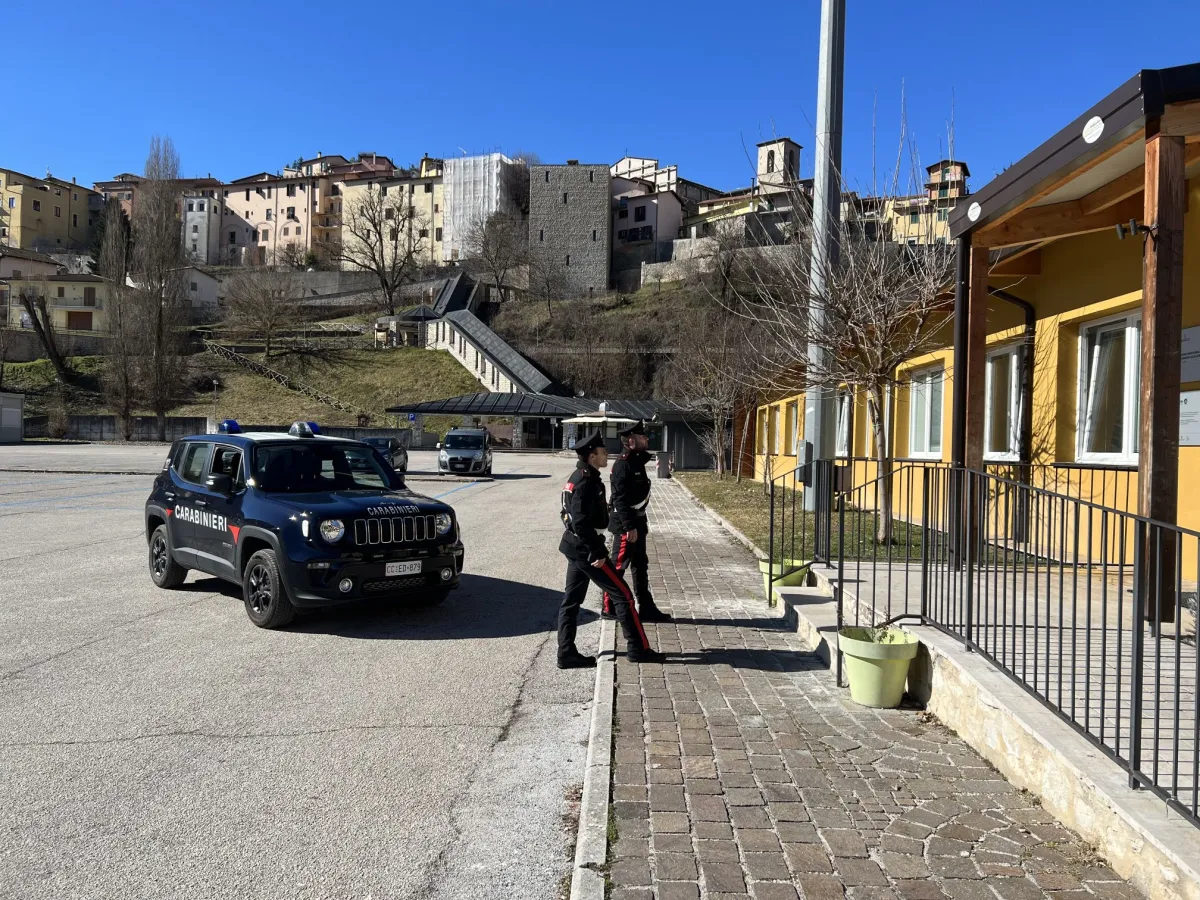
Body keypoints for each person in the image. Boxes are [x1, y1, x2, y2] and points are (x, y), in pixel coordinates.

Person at [558, 430, 666, 669]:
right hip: (587, 550)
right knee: (623, 595)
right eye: (602, 452)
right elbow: (580, 522)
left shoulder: (579, 476)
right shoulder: (585, 481)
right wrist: (596, 551)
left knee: (571, 601)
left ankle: (566, 653)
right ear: (591, 456)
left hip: (575, 547)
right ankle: (638, 648)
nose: (607, 454)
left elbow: (565, 513)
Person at [603, 420, 672, 623]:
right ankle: (609, 607)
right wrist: (628, 526)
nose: (647, 439)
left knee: (640, 565)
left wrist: (636, 524)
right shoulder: (623, 465)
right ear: (631, 441)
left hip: (638, 522)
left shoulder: (635, 460)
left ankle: (646, 608)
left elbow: (645, 455)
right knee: (618, 566)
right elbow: (619, 499)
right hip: (627, 524)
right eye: (643, 436)